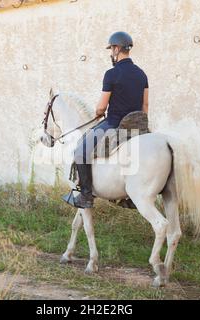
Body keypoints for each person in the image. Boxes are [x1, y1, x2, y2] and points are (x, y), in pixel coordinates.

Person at [62, 31, 149, 208]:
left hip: (115, 123)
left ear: (117, 49)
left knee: (80, 152)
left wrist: (98, 112)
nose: (111, 53)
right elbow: (145, 106)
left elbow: (101, 107)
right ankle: (132, 198)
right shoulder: (142, 75)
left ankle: (86, 195)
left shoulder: (111, 74)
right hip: (137, 124)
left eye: (111, 49)